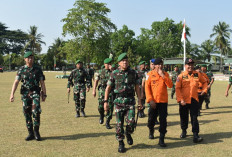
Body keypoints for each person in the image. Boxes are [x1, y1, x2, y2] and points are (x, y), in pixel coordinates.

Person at [104, 53, 142, 153]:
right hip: (118, 102)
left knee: (131, 122)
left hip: (130, 102)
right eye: (122, 61)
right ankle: (121, 142)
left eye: (126, 60)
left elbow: (137, 87)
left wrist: (140, 101)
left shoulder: (133, 73)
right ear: (119, 63)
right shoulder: (114, 73)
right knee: (119, 124)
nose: (125, 62)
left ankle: (128, 133)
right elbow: (108, 88)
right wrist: (105, 102)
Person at [10, 51, 46, 141]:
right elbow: (16, 82)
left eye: (32, 57)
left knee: (36, 112)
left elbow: (42, 82)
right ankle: (30, 133)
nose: (30, 59)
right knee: (27, 113)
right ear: (25, 59)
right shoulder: (21, 69)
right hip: (25, 94)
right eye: (28, 58)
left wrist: (44, 94)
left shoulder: (38, 69)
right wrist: (12, 94)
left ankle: (36, 132)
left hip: (35, 93)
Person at [176, 58, 207, 143]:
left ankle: (195, 134)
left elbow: (205, 82)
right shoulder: (181, 76)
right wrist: (180, 100)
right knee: (183, 117)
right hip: (183, 100)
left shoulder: (197, 74)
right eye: (188, 64)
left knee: (194, 118)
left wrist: (204, 91)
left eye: (192, 64)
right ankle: (184, 131)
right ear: (185, 65)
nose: (190, 66)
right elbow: (177, 89)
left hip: (194, 99)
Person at [145, 58, 173, 147]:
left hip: (163, 101)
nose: (160, 66)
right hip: (153, 101)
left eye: (161, 64)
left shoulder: (166, 74)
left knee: (163, 120)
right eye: (158, 64)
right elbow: (147, 88)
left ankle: (161, 138)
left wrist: (163, 76)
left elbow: (170, 85)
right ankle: (151, 130)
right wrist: (150, 100)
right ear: (155, 65)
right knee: (151, 119)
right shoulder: (149, 75)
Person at [93, 58, 113, 129]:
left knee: (110, 107)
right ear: (104, 64)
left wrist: (112, 70)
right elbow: (96, 81)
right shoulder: (100, 71)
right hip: (102, 90)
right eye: (108, 64)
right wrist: (94, 90)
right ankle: (101, 115)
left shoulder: (113, 72)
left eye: (110, 64)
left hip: (111, 91)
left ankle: (108, 121)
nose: (109, 65)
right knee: (101, 106)